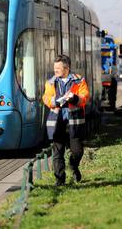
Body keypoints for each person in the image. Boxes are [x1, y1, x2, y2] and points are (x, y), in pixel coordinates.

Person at [42, 55, 90, 186]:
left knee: (77, 151)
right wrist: (55, 101)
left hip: (74, 121)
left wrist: (74, 98)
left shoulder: (79, 80)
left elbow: (85, 96)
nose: (55, 70)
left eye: (58, 68)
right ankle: (59, 179)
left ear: (66, 68)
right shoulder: (51, 82)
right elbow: (46, 98)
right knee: (57, 152)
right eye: (54, 68)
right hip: (57, 122)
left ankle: (74, 166)